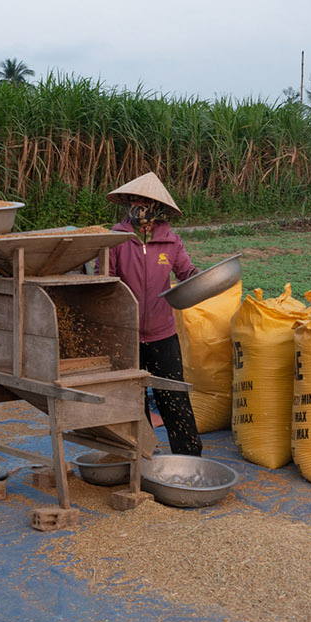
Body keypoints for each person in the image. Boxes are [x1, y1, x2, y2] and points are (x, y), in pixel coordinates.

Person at [106, 172, 203, 456]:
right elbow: (106, 281)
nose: (139, 206)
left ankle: (189, 456)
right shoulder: (116, 238)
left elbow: (186, 273)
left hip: (163, 331)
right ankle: (143, 456)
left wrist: (201, 278)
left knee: (173, 396)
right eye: (134, 201)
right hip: (127, 333)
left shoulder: (171, 241)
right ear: (126, 204)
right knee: (133, 397)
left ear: (157, 208)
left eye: (145, 201)